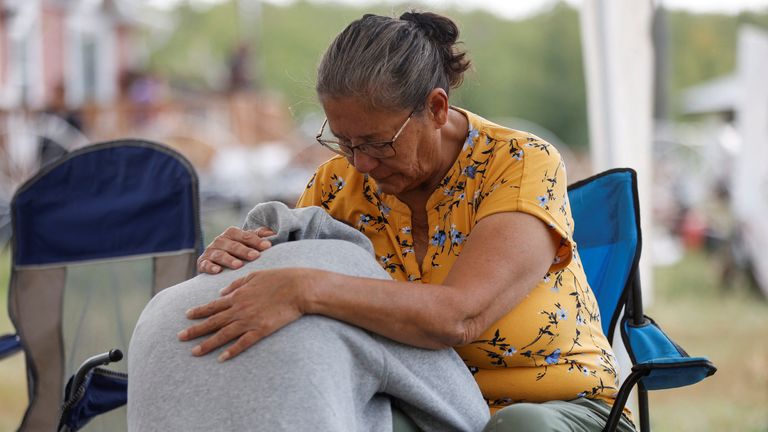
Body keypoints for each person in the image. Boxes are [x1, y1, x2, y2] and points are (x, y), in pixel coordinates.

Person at [181, 11, 636, 432]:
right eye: (342, 141)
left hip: (561, 409)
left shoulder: (519, 162)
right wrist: (239, 260)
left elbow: (461, 316)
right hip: (418, 404)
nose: (361, 164)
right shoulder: (335, 186)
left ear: (436, 109)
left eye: (378, 144)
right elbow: (273, 292)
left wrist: (305, 288)